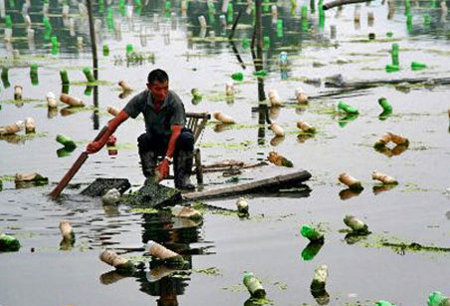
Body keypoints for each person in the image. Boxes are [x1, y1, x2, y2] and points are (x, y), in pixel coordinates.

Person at [86, 69, 195, 190]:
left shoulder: (174, 101)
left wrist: (166, 160)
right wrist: (100, 143)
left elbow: (176, 133)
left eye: (166, 88)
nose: (163, 93)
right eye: (158, 89)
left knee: (186, 138)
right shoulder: (141, 99)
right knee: (143, 139)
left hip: (176, 141)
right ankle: (151, 178)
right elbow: (117, 121)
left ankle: (183, 180)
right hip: (156, 139)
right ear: (149, 87)